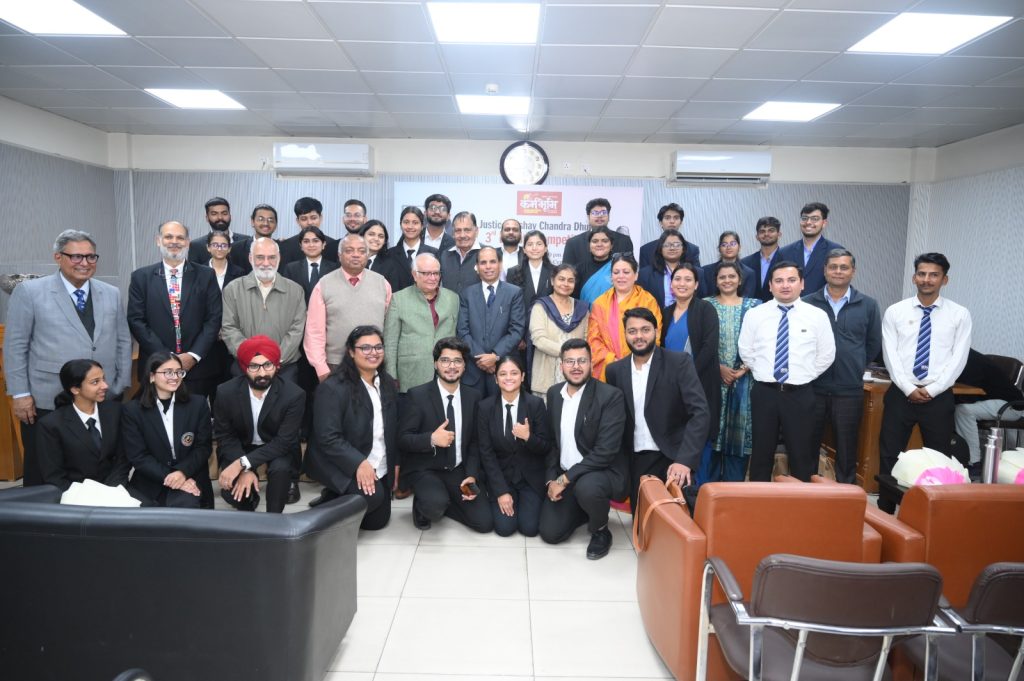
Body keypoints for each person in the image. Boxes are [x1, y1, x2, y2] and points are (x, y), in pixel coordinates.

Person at [4, 229, 132, 486]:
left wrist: (120, 384)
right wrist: (20, 394)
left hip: (102, 394)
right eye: (76, 257)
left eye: (91, 257)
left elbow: (123, 340)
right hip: (47, 396)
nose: (84, 263)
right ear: (58, 257)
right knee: (44, 471)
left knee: (100, 464)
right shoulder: (30, 292)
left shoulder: (111, 293)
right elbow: (16, 346)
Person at [878, 253, 971, 508]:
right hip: (901, 393)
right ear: (914, 277)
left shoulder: (959, 315)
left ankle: (932, 511)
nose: (926, 279)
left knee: (939, 457)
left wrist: (933, 389)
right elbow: (890, 355)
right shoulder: (895, 311)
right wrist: (908, 387)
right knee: (889, 454)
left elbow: (959, 358)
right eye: (922, 274)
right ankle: (885, 511)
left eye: (934, 275)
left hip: (938, 398)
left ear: (944, 279)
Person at [739, 261, 836, 482]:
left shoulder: (817, 315)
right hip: (765, 392)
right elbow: (746, 351)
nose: (785, 285)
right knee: (761, 453)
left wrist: (804, 375)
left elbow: (826, 354)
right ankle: (759, 498)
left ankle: (801, 501)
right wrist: (764, 372)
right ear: (770, 286)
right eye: (779, 281)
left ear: (802, 284)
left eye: (791, 280)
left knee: (802, 455)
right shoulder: (755, 314)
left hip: (800, 394)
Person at [606, 308, 709, 511]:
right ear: (625, 334)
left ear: (656, 330)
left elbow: (700, 413)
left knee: (675, 521)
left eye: (645, 330)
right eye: (632, 331)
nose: (639, 336)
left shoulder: (678, 362)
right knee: (642, 523)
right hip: (636, 460)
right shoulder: (615, 371)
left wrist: (684, 461)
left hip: (672, 458)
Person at [539, 339, 627, 560]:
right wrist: (551, 480)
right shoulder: (554, 394)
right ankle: (584, 509)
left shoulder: (610, 396)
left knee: (587, 488)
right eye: (570, 361)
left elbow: (605, 452)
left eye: (582, 361)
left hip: (600, 472)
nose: (576, 366)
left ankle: (601, 529)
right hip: (567, 473)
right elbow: (552, 443)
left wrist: (564, 480)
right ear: (561, 366)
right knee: (550, 533)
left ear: (591, 363)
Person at [304, 326, 399, 530]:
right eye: (365, 348)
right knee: (372, 498)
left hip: (375, 460)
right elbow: (328, 438)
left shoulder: (388, 383)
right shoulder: (332, 387)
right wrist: (359, 463)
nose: (373, 353)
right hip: (338, 462)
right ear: (351, 352)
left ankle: (335, 496)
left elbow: (392, 431)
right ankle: (321, 517)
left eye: (378, 347)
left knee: (377, 522)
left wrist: (395, 464)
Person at [397, 337, 493, 533]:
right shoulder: (417, 395)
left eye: (457, 361)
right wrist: (431, 439)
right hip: (426, 469)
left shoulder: (473, 396)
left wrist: (472, 475)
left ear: (464, 366)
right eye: (445, 360)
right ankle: (425, 505)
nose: (451, 366)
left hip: (458, 470)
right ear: (435, 364)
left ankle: (445, 500)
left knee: (484, 523)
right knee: (434, 506)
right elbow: (403, 439)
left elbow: (475, 443)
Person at [804, 249, 882, 484]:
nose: (838, 271)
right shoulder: (807, 303)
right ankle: (805, 491)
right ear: (824, 270)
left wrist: (854, 365)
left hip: (849, 389)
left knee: (847, 448)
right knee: (807, 444)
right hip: (813, 387)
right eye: (833, 267)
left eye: (844, 267)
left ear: (853, 271)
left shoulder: (868, 305)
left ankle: (845, 493)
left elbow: (873, 344)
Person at [127, 220, 223, 396]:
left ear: (187, 242)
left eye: (180, 237)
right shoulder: (141, 277)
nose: (174, 242)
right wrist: (165, 357)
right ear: (158, 240)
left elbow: (214, 319)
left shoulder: (206, 275)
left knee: (195, 413)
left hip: (197, 369)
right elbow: (136, 320)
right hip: (156, 366)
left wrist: (193, 355)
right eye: (168, 237)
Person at [213, 336, 305, 513]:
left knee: (280, 469)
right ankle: (249, 504)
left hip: (276, 447)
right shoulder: (225, 392)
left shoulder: (294, 395)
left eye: (268, 365)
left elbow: (283, 442)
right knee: (234, 492)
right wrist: (245, 470)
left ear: (277, 365)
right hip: (241, 447)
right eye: (254, 366)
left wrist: (241, 464)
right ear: (244, 367)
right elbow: (226, 436)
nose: (262, 373)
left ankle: (273, 518)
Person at [122, 352, 212, 508]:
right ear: (151, 376)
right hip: (151, 480)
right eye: (168, 372)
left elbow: (203, 447)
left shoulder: (198, 404)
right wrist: (172, 477)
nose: (175, 377)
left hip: (190, 476)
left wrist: (182, 473)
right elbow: (138, 456)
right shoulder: (133, 410)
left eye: (179, 372)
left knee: (186, 507)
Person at [478, 355, 552, 537]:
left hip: (529, 478)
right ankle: (507, 497)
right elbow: (486, 453)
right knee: (505, 528)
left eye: (514, 373)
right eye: (503, 374)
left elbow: (546, 447)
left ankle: (525, 502)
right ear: (496, 379)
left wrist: (528, 437)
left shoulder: (535, 404)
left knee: (530, 529)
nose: (508, 378)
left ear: (523, 376)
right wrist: (501, 491)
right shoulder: (485, 407)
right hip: (501, 477)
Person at [661, 263, 721, 482]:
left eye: (688, 279)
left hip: (699, 384)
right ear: (671, 285)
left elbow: (709, 347)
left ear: (696, 285)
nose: (682, 284)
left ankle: (701, 493)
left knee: (699, 439)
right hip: (670, 388)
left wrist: (687, 378)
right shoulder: (666, 313)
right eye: (677, 279)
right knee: (675, 438)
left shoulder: (705, 309)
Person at [305, 234, 392, 382]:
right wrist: (321, 369)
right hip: (335, 365)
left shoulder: (382, 283)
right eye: (349, 250)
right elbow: (314, 332)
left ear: (367, 255)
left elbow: (390, 329)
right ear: (340, 255)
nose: (356, 255)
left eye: (361, 251)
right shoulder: (324, 285)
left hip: (374, 364)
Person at [221, 237, 307, 384]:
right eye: (260, 257)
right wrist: (252, 359)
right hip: (244, 367)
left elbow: (297, 330)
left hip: (285, 368)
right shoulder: (233, 289)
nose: (266, 263)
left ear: (279, 258)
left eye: (272, 257)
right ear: (250, 258)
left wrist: (274, 359)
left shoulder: (296, 290)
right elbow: (229, 328)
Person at [35, 359, 130, 493]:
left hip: (116, 490)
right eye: (95, 382)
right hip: (75, 496)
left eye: (103, 379)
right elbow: (54, 476)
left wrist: (111, 491)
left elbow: (122, 460)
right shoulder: (51, 425)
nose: (105, 385)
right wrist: (85, 497)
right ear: (75, 389)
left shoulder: (116, 411)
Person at [705, 262, 760, 481]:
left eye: (731, 276)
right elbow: (699, 343)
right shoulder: (705, 305)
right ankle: (707, 491)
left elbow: (764, 342)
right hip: (713, 380)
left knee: (739, 438)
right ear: (716, 281)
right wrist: (718, 368)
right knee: (711, 434)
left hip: (745, 382)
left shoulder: (755, 307)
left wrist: (744, 368)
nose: (727, 280)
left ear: (740, 280)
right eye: (722, 277)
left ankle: (733, 491)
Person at [456, 246, 526, 398]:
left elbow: (516, 330)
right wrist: (482, 359)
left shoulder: (514, 293)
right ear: (477, 267)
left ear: (500, 265)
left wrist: (495, 356)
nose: (488, 266)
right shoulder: (466, 294)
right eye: (483, 262)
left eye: (492, 262)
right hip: (473, 370)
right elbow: (462, 331)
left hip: (503, 370)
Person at [384, 253, 459, 393]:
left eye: (436, 273)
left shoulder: (453, 298)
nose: (433, 278)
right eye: (426, 273)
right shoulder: (398, 299)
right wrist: (391, 376)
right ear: (414, 274)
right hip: (411, 374)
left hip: (446, 372)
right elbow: (390, 343)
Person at [587, 253, 661, 381]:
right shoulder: (600, 303)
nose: (621, 276)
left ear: (636, 275)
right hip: (609, 367)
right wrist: (613, 361)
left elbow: (655, 334)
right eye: (616, 272)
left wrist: (633, 361)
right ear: (611, 276)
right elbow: (593, 339)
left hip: (640, 366)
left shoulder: (648, 300)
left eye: (626, 272)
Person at [954, 350, 1024, 476]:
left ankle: (974, 462)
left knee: (963, 411)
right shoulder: (963, 355)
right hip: (992, 399)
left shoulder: (968, 359)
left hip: (1011, 405)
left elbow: (968, 387)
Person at [529, 264, 589, 400]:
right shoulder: (541, 306)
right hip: (546, 376)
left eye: (570, 280)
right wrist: (568, 353)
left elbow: (586, 338)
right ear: (552, 281)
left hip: (576, 373)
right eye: (561, 279)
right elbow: (539, 340)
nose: (565, 284)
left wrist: (574, 358)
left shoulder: (582, 309)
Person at [777, 202, 843, 295]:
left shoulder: (836, 251)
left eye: (814, 219)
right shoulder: (784, 252)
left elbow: (839, 284)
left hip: (822, 303)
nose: (808, 222)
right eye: (804, 218)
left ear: (824, 223)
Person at [560, 198, 634, 267]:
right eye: (595, 213)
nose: (599, 216)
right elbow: (566, 272)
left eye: (603, 213)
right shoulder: (573, 243)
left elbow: (630, 269)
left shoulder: (624, 241)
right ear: (588, 217)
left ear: (609, 217)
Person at [281, 226, 339, 303]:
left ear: (323, 244)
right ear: (301, 246)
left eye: (315, 241)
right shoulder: (291, 269)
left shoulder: (335, 269)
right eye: (306, 241)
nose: (311, 245)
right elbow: (286, 296)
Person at [188, 197, 248, 270]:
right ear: (207, 218)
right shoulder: (196, 245)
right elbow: (193, 273)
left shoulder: (246, 241)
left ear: (230, 216)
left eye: (224, 213)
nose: (220, 217)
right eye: (214, 214)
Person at [279, 197, 339, 267]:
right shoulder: (287, 246)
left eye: (313, 218)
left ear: (320, 218)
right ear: (298, 221)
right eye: (304, 219)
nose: (309, 222)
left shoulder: (333, 245)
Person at [638, 203, 701, 269]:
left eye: (676, 218)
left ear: (681, 223)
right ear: (660, 223)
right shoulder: (645, 250)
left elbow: (697, 274)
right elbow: (644, 274)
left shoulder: (692, 249)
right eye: (667, 218)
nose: (672, 221)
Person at [638, 229, 690, 307]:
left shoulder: (696, 273)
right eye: (667, 245)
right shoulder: (645, 274)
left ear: (683, 249)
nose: (672, 248)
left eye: (676, 245)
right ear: (660, 249)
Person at [699, 231, 757, 299]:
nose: (729, 247)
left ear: (739, 247)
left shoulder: (749, 273)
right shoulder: (706, 271)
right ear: (719, 249)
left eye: (733, 244)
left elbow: (747, 299)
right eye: (724, 244)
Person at [361, 219, 413, 291]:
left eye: (381, 236)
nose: (376, 239)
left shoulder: (391, 265)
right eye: (371, 234)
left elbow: (394, 293)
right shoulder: (351, 260)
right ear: (362, 236)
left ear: (385, 241)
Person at [506, 229, 554, 307]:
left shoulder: (555, 271)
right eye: (530, 244)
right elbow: (510, 302)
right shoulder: (513, 272)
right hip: (521, 314)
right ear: (524, 249)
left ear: (545, 248)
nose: (534, 248)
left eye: (539, 244)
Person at [739, 217, 783, 303]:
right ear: (757, 237)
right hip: (753, 309)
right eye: (762, 231)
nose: (766, 234)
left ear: (779, 234)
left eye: (771, 230)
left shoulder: (788, 260)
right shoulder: (745, 263)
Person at [440, 211, 483, 293]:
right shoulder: (445, 255)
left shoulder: (487, 254)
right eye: (458, 230)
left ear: (476, 231)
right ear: (453, 233)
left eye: (467, 230)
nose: (462, 235)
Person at [228, 204, 279, 273]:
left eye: (270, 220)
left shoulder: (282, 248)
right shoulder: (236, 249)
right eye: (261, 219)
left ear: (276, 224)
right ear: (252, 222)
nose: (266, 223)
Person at [388, 206, 440, 270]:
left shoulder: (433, 253)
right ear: (400, 225)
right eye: (406, 222)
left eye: (415, 223)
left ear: (422, 226)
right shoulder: (389, 254)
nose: (410, 226)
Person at [576, 226, 614, 303]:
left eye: (605, 241)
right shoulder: (580, 269)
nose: (599, 244)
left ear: (611, 246)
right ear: (589, 246)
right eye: (595, 241)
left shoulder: (617, 268)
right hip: (584, 310)